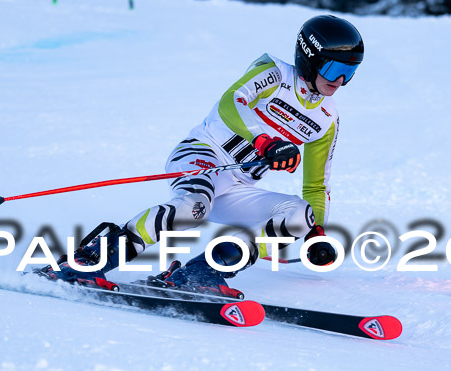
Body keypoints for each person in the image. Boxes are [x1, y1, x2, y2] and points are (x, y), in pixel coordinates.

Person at [40, 15, 364, 296]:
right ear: (309, 58)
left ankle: (203, 272)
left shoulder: (327, 119)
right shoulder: (275, 74)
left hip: (236, 186)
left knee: (299, 214)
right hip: (204, 154)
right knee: (191, 208)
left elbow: (316, 186)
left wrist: (316, 233)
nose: (340, 82)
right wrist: (264, 141)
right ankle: (87, 260)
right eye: (335, 69)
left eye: (350, 73)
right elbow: (231, 102)